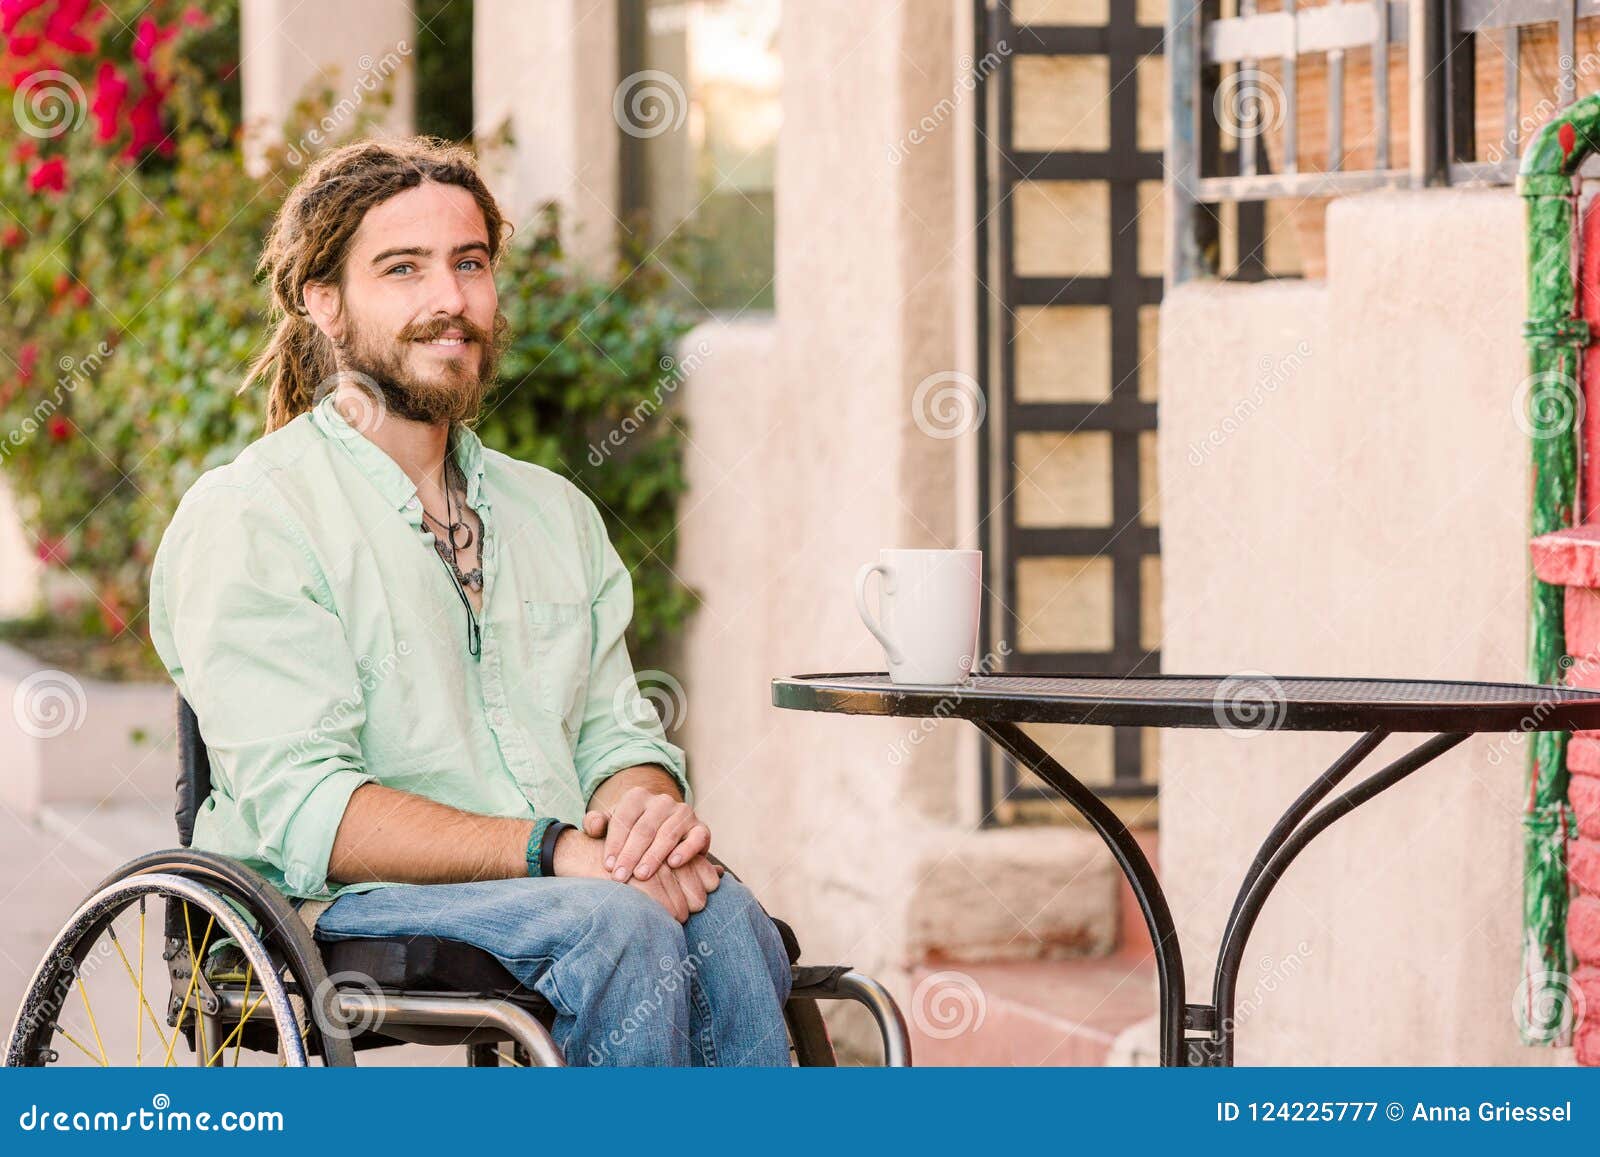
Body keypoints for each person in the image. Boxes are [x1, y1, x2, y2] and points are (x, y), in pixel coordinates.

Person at [147, 136, 792, 1066]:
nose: (448, 298)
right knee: (621, 929)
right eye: (402, 268)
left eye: (470, 263)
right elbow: (310, 806)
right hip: (342, 899)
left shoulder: (556, 514)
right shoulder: (254, 515)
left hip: (571, 881)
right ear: (323, 301)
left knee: (723, 914)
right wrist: (551, 849)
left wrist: (642, 814)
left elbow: (616, 742)